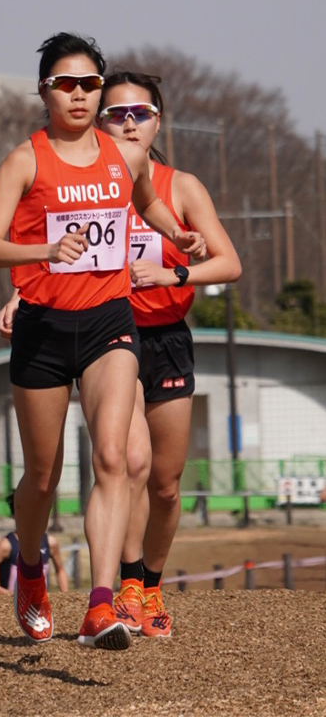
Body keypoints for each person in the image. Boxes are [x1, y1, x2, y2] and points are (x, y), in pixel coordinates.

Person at [0, 32, 201, 650]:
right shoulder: (25, 161)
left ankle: (102, 604)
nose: (78, 95)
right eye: (65, 84)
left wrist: (177, 238)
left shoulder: (120, 156)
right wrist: (43, 251)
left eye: (88, 84)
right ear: (44, 91)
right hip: (43, 329)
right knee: (43, 479)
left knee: (112, 460)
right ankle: (28, 566)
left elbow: (149, 202)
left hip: (109, 323)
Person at [97, 72, 241, 638]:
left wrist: (174, 271)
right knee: (128, 464)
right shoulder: (87, 184)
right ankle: (126, 584)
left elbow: (228, 264)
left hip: (169, 336)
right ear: (100, 121)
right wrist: (20, 295)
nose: (129, 121)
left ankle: (151, 585)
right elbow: (59, 250)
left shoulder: (180, 186)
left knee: (164, 482)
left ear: (159, 119)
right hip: (111, 335)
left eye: (141, 112)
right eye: (117, 113)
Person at [0, 492, 69, 595]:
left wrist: (65, 596)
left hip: (40, 606)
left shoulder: (50, 542)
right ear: (14, 515)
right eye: (24, 512)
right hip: (12, 607)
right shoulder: (6, 545)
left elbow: (60, 571)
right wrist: (6, 594)